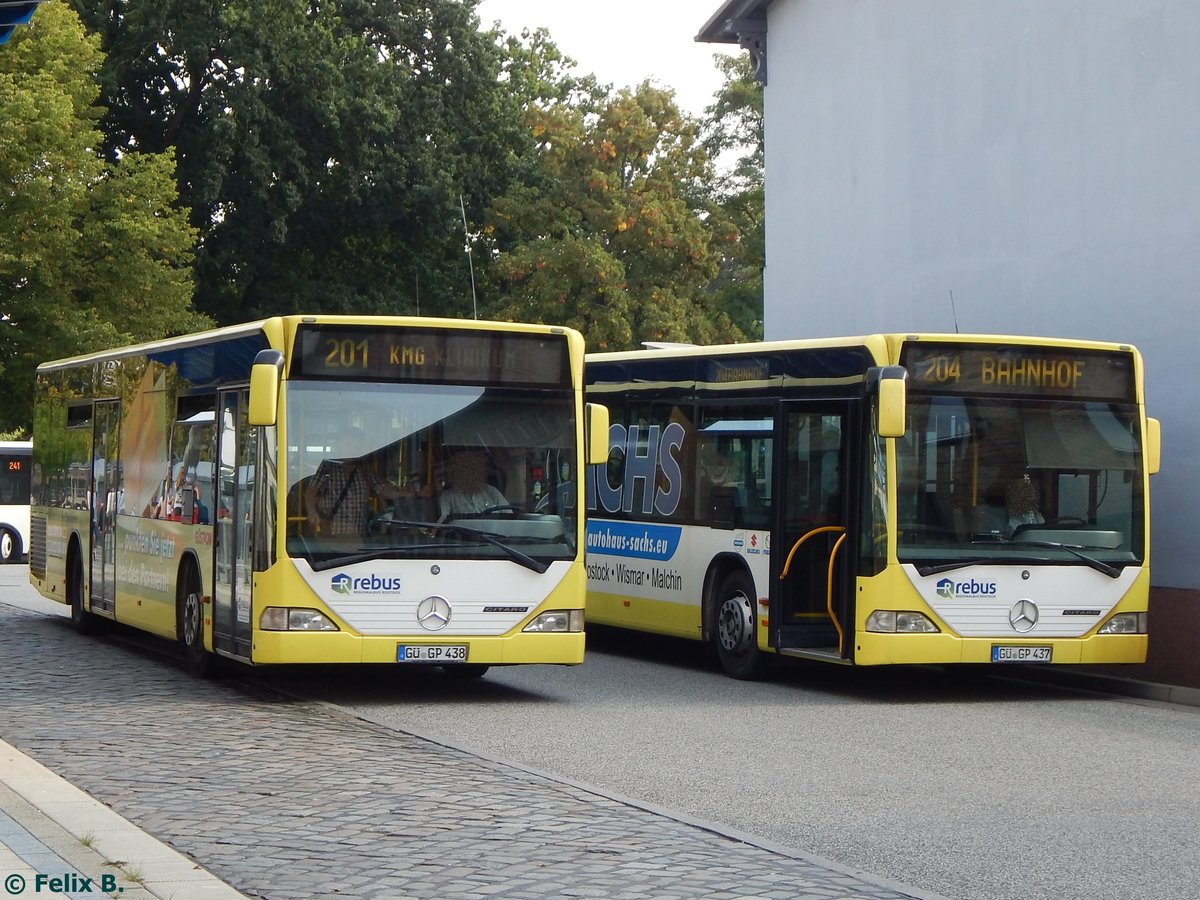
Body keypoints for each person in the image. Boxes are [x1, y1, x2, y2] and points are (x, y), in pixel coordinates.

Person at [305, 432, 405, 536]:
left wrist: (403, 493)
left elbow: (382, 490)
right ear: (339, 445)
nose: (351, 449)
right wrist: (312, 512)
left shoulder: (365, 468)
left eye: (356, 446)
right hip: (331, 533)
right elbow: (311, 492)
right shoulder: (328, 466)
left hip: (357, 533)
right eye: (348, 445)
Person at [439, 449, 508, 520]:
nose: (471, 474)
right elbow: (444, 522)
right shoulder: (448, 497)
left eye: (475, 469)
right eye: (465, 469)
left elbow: (508, 515)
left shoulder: (491, 491)